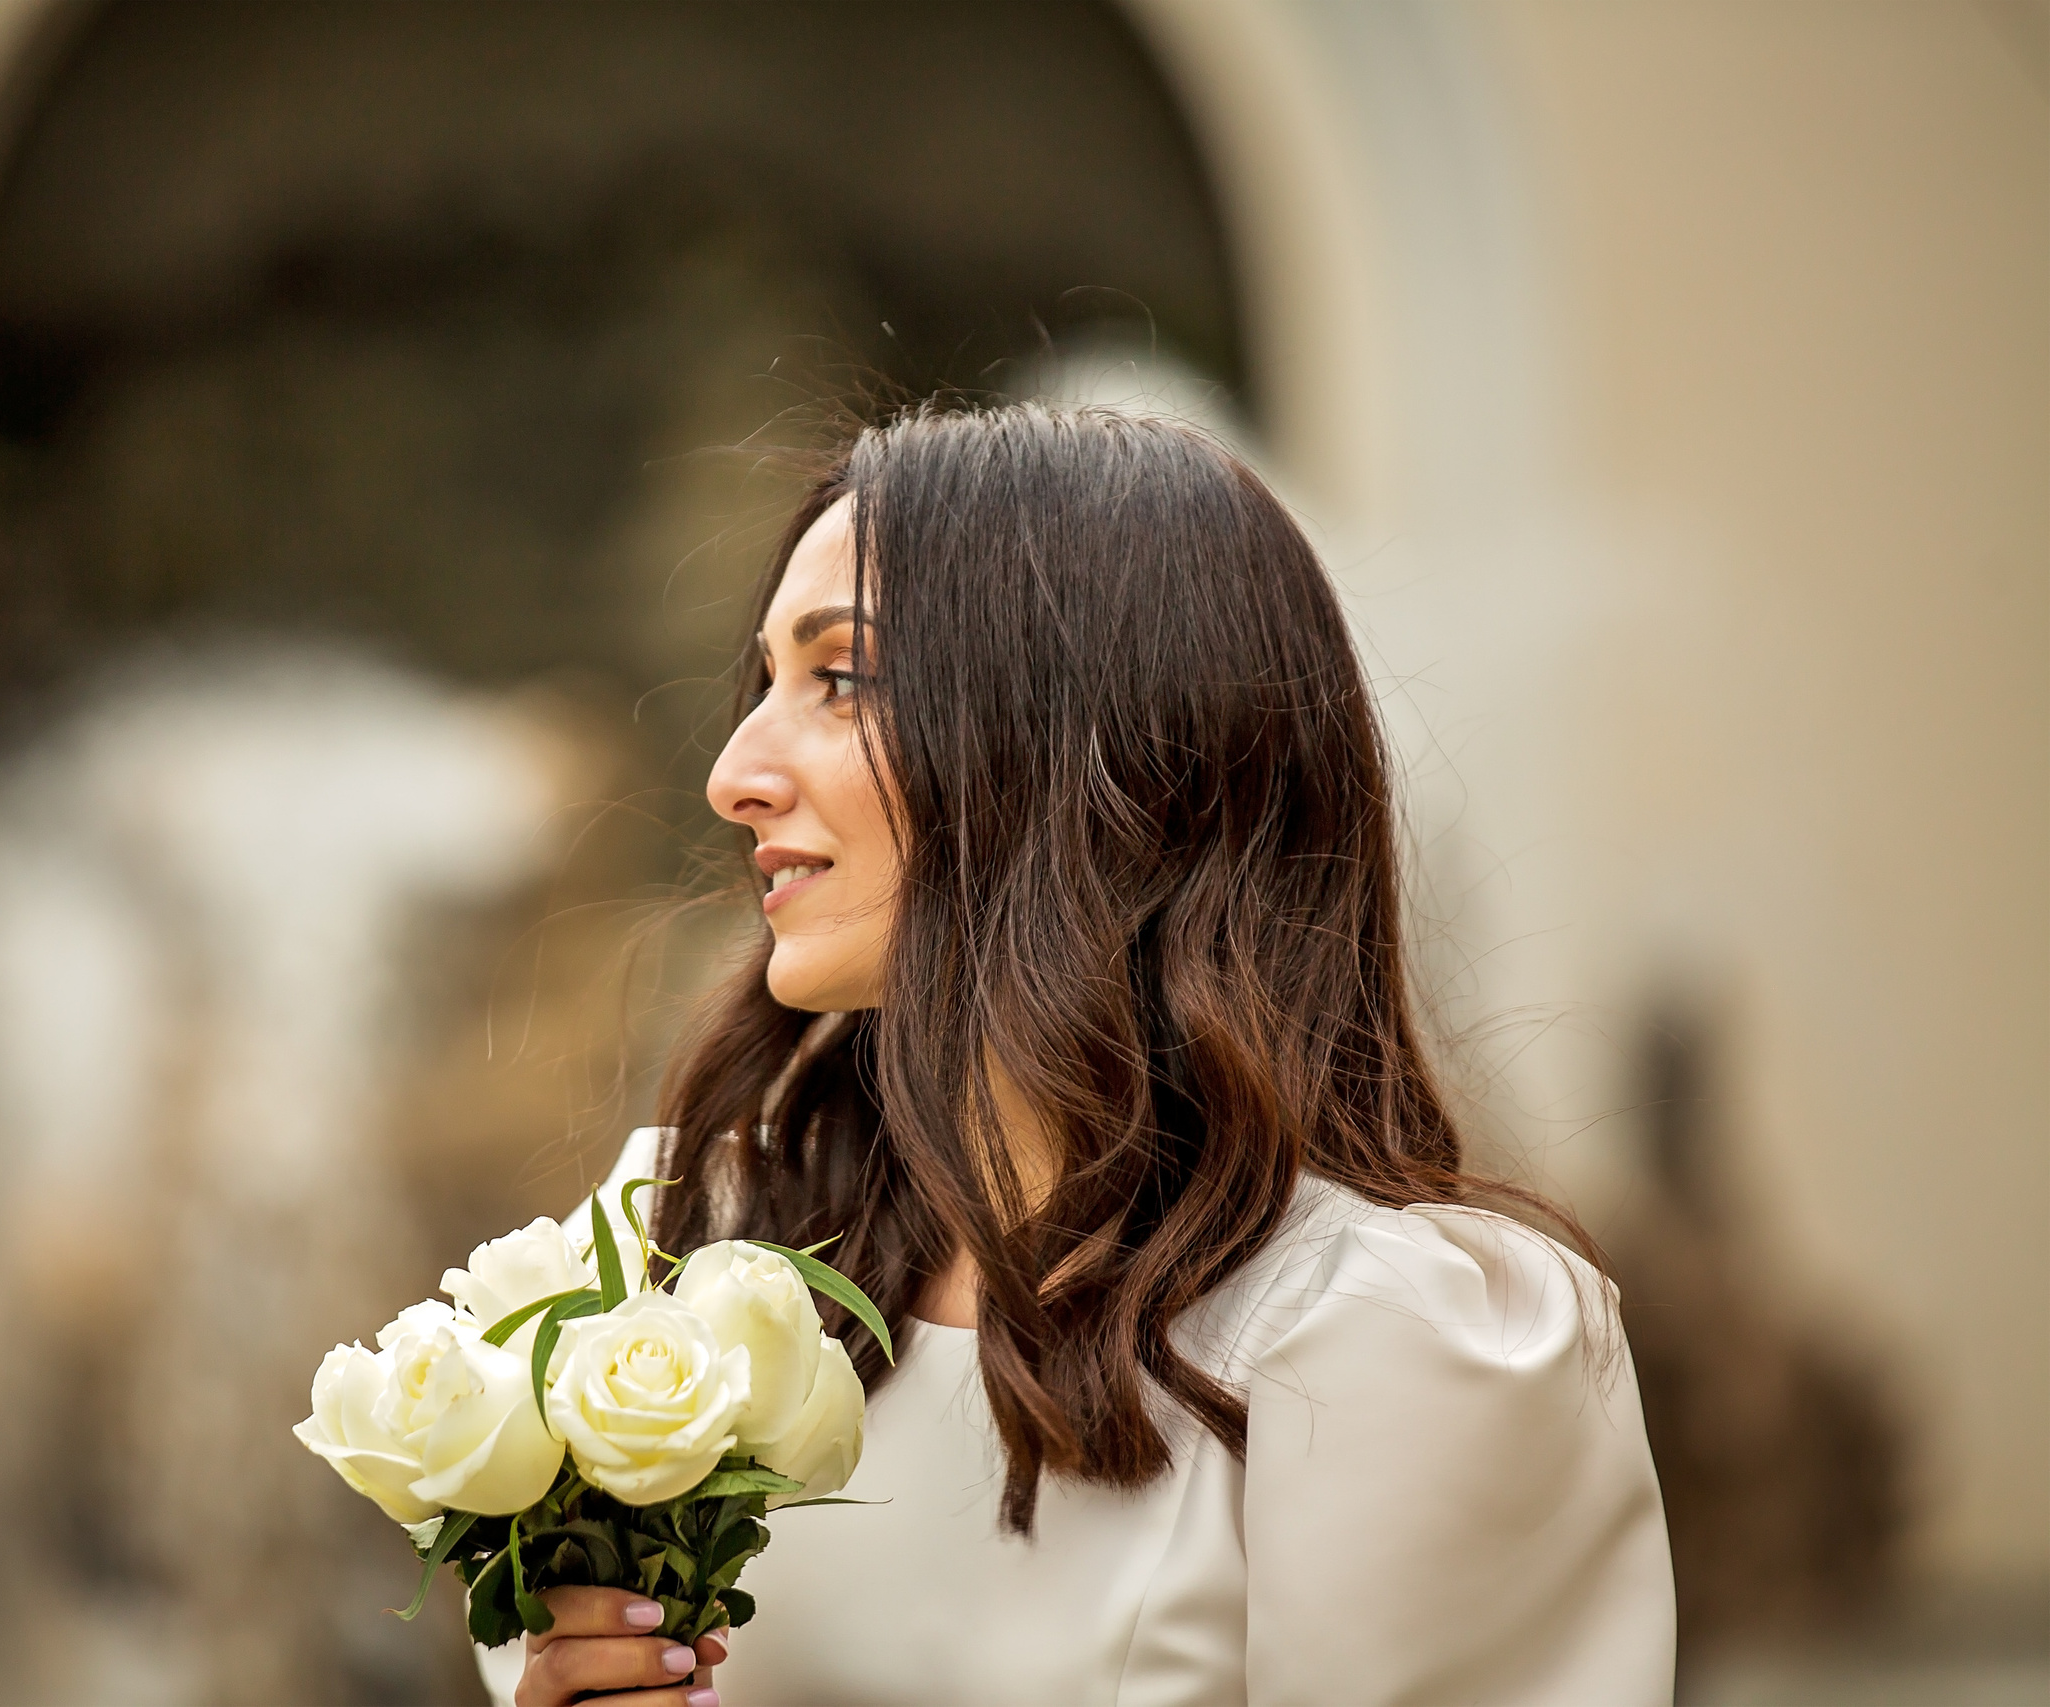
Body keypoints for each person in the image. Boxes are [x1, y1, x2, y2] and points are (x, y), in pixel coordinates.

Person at [484, 403, 1675, 1707]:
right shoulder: (697, 1245)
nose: (732, 773)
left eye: (843, 679)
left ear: (1088, 743)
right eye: (760, 682)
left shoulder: (1388, 1342)